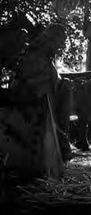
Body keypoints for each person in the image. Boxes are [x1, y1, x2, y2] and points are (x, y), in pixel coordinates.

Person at [6, 24, 69, 178]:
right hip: (33, 108)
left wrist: (61, 85)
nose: (60, 47)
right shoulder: (35, 56)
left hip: (42, 105)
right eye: (59, 42)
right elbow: (36, 85)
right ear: (51, 39)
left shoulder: (43, 55)